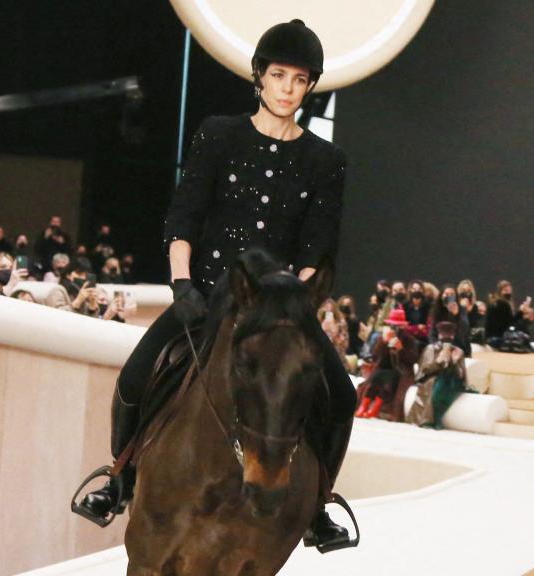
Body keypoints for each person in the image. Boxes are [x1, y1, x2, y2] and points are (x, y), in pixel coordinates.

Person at [76, 19, 356, 550]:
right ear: (260, 77)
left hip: (278, 315)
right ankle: (120, 478)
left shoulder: (326, 161)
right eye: (279, 76)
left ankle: (319, 506)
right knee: (137, 377)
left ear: (309, 86)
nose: (287, 89)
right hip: (204, 296)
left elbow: (318, 250)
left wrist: (291, 308)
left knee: (339, 395)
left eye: (299, 80)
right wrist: (182, 285)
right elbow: (184, 218)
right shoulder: (219, 134)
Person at [355, 308, 419, 421]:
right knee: (376, 377)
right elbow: (376, 356)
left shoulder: (409, 340)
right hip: (385, 368)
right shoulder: (383, 337)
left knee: (389, 380)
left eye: (398, 326)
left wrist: (401, 349)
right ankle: (363, 406)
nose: (395, 328)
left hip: (401, 371)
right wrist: (383, 344)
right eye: (393, 325)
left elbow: (413, 359)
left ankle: (375, 408)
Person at [409, 321, 468, 429]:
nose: (447, 340)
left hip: (452, 381)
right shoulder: (431, 349)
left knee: (447, 388)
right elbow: (425, 370)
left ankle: (436, 419)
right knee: (437, 388)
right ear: (439, 335)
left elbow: (461, 375)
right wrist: (439, 361)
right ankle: (432, 420)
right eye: (444, 337)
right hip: (433, 378)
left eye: (449, 337)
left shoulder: (458, 351)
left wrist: (454, 362)